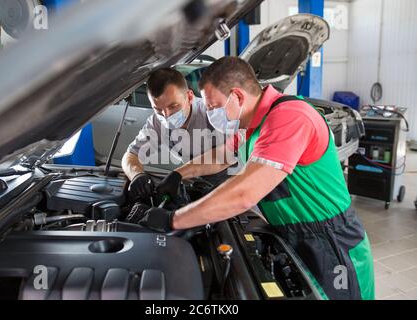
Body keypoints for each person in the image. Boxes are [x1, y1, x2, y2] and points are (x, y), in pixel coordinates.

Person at [137, 57, 375, 300]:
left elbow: (244, 193)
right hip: (293, 234)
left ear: (237, 96)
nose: (209, 114)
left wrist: (173, 219)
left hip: (330, 240)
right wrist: (178, 174)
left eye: (213, 107)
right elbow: (221, 156)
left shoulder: (290, 117)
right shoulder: (250, 125)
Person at [122, 67, 227, 201]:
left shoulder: (212, 113)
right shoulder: (157, 122)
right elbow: (130, 155)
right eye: (158, 110)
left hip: (235, 185)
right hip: (199, 187)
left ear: (189, 97)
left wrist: (178, 174)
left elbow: (224, 157)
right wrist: (136, 175)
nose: (166, 116)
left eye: (173, 106)